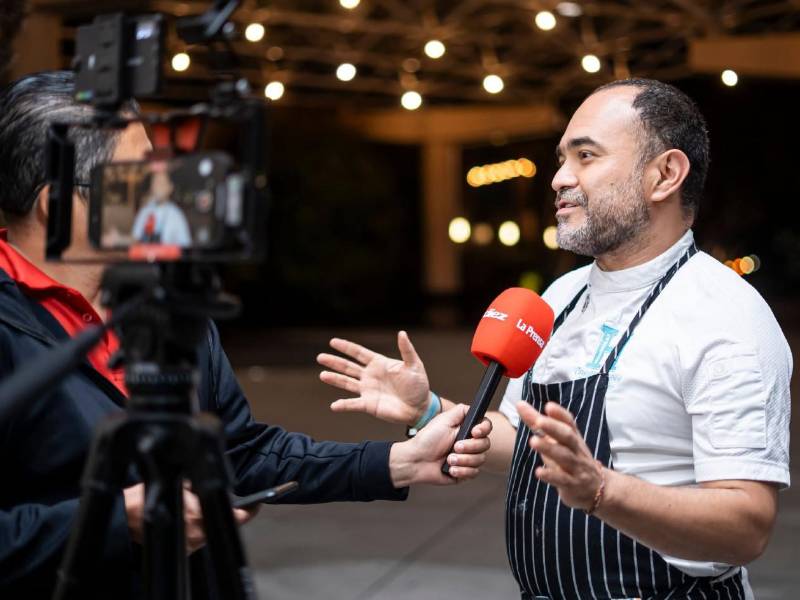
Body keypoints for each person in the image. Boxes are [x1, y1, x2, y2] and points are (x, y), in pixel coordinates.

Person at [0, 71, 493, 599]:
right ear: (57, 208)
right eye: (138, 178)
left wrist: (396, 463)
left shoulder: (169, 308)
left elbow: (238, 454)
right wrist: (117, 520)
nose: (165, 193)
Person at [318, 79, 792, 599]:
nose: (559, 178)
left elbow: (747, 526)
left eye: (586, 156)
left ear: (665, 175)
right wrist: (429, 411)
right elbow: (526, 442)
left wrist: (601, 491)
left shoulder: (725, 317)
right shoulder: (561, 295)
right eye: (561, 159)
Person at [131, 165, 193, 247]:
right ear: (151, 187)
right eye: (155, 182)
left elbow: (186, 246)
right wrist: (119, 239)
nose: (158, 186)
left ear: (170, 188)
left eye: (162, 183)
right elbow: (135, 239)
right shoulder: (145, 211)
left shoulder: (176, 215)